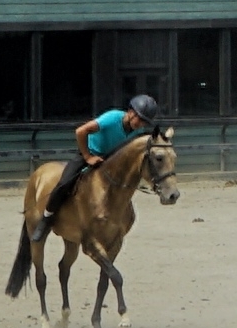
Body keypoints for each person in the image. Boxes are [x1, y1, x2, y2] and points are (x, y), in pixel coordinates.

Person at [35, 95, 162, 230]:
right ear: (131, 112)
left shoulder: (138, 131)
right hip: (89, 153)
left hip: (111, 160)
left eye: (145, 122)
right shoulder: (112, 118)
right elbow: (80, 131)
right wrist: (88, 156)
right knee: (64, 183)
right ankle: (46, 218)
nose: (141, 124)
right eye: (140, 119)